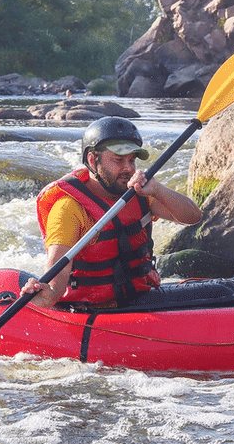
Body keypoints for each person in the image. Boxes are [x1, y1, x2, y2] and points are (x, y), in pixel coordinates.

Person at [21, 116, 202, 309]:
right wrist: (48, 294)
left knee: (223, 290)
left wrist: (158, 190)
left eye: (132, 160)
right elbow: (59, 267)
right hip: (88, 308)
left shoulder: (139, 193)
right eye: (118, 160)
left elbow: (193, 217)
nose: (128, 168)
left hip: (137, 298)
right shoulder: (69, 207)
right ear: (92, 160)